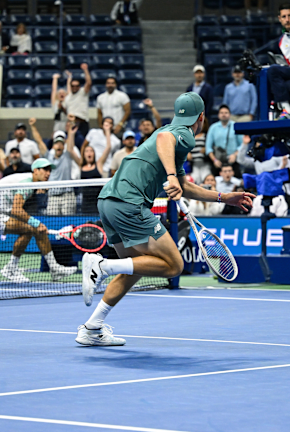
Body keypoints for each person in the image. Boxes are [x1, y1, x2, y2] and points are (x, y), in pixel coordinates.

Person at [76, 92, 253, 346]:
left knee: (137, 266)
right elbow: (163, 139)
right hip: (129, 203)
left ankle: (92, 328)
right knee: (174, 266)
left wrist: (224, 197)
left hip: (108, 202)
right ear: (201, 117)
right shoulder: (181, 134)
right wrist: (170, 175)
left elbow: (185, 185)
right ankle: (102, 267)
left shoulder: (174, 140)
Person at [0, 158, 78, 283]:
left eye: (49, 170)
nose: (48, 173)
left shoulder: (30, 182)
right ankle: (11, 268)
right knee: (30, 229)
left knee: (34, 230)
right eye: (45, 170)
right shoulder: (27, 183)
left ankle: (54, 269)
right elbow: (16, 210)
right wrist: (37, 223)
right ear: (36, 171)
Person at [46, 128, 82, 215]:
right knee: (52, 222)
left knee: (68, 222)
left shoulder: (67, 155)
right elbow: (39, 142)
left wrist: (71, 132)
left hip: (67, 195)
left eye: (61, 143)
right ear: (53, 145)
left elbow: (70, 147)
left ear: (64, 145)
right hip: (53, 195)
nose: (59, 145)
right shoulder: (49, 156)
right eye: (56, 143)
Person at [80, 122, 113, 213]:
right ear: (84, 154)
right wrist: (71, 132)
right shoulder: (81, 165)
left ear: (94, 154)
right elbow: (70, 150)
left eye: (91, 151)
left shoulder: (98, 164)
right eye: (87, 151)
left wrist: (107, 131)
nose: (89, 153)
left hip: (97, 202)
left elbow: (108, 147)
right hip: (85, 203)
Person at [206, 105, 244, 176]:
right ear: (218, 115)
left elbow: (242, 144)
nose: (224, 114)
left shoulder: (235, 126)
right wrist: (215, 160)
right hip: (218, 161)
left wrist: (235, 155)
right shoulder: (213, 128)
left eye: (226, 113)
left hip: (233, 160)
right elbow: (208, 148)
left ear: (230, 114)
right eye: (221, 113)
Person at [65, 63, 92, 136]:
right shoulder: (68, 97)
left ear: (79, 87)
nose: (75, 87)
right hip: (71, 123)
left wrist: (85, 70)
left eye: (77, 86)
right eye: (73, 86)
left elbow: (88, 83)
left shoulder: (82, 92)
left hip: (82, 123)